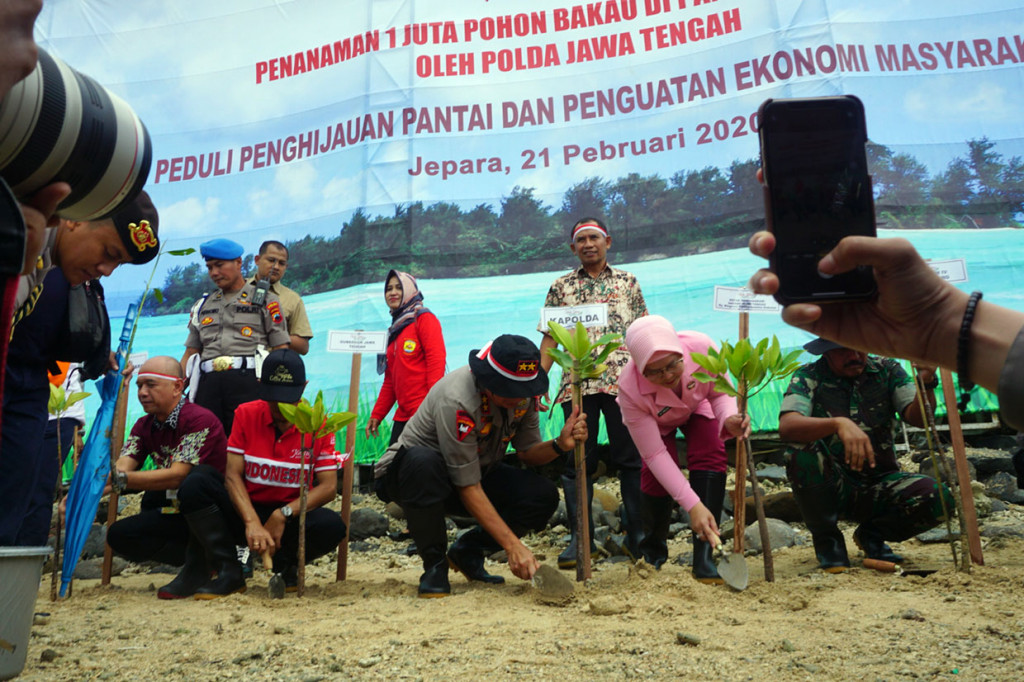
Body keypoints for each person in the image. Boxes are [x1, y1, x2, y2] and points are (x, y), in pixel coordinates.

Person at [0, 192, 159, 546]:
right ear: (77, 219)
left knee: (16, 495)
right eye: (109, 253)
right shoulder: (19, 244)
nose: (106, 269)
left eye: (118, 264)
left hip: (30, 387)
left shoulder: (51, 264)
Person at [374, 334, 588, 598]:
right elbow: (467, 485)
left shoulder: (524, 395)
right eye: (510, 390)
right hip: (412, 476)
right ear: (489, 380)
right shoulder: (458, 399)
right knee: (424, 464)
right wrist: (513, 547)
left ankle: (468, 551)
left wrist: (559, 444)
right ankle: (434, 567)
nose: (519, 398)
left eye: (523, 391)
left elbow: (527, 453)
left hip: (474, 471)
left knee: (541, 496)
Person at [173, 349, 345, 598]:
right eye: (273, 397)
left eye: (289, 399)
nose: (280, 407)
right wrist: (251, 521)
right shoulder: (246, 413)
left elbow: (328, 487)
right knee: (197, 483)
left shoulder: (317, 423)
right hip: (245, 508)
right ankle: (229, 572)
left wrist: (283, 513)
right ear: (259, 385)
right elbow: (232, 475)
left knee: (332, 525)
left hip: (289, 514)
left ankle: (287, 567)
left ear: (304, 387)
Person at [778, 336, 953, 571]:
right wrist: (838, 424)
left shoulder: (887, 369)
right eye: (843, 350)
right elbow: (788, 426)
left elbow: (919, 419)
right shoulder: (809, 376)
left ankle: (872, 534)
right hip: (832, 485)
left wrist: (926, 383)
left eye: (860, 348)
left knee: (939, 497)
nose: (855, 356)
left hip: (879, 482)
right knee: (799, 449)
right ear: (826, 352)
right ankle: (828, 541)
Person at [537, 216, 648, 568]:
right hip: (577, 383)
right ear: (573, 248)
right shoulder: (560, 286)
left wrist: (653, 378)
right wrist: (539, 381)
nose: (588, 244)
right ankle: (579, 540)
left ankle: (637, 537)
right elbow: (550, 337)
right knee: (576, 462)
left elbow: (643, 331)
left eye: (594, 238)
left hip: (622, 383)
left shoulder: (628, 282)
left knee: (630, 458)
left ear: (608, 242)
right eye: (581, 240)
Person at [616, 315, 750, 582]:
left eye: (671, 365)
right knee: (655, 478)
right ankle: (653, 551)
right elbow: (654, 454)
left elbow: (720, 393)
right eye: (654, 371)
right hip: (656, 422)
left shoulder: (701, 349)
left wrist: (728, 419)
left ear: (680, 354)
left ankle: (704, 557)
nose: (666, 375)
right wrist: (692, 506)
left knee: (711, 450)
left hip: (697, 404)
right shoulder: (629, 389)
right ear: (639, 368)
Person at [102, 357, 227, 596]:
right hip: (175, 509)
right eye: (139, 386)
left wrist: (119, 481)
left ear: (178, 387)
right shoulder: (143, 425)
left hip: (213, 512)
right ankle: (197, 557)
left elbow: (178, 476)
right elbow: (123, 468)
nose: (142, 393)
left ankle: (206, 558)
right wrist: (91, 489)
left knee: (193, 481)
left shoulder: (199, 419)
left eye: (151, 385)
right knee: (119, 535)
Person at [181, 238, 289, 435]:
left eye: (220, 265)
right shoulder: (202, 305)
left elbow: (281, 349)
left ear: (239, 263)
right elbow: (191, 352)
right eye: (210, 267)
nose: (214, 273)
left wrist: (280, 391)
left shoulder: (265, 299)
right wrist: (176, 388)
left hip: (248, 383)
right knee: (207, 448)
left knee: (248, 445)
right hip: (207, 386)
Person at [367, 270, 446, 446]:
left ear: (410, 290)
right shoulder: (395, 330)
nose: (393, 293)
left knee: (417, 467)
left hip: (424, 413)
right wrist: (377, 414)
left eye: (398, 288)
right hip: (403, 415)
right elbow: (390, 380)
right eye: (388, 289)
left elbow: (436, 363)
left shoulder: (424, 318)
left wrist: (430, 409)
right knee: (392, 467)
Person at [251, 240, 313, 355]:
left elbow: (303, 347)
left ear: (286, 266)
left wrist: (275, 334)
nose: (276, 267)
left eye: (281, 263)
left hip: (273, 366)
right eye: (271, 260)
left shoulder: (293, 299)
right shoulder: (239, 289)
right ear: (257, 260)